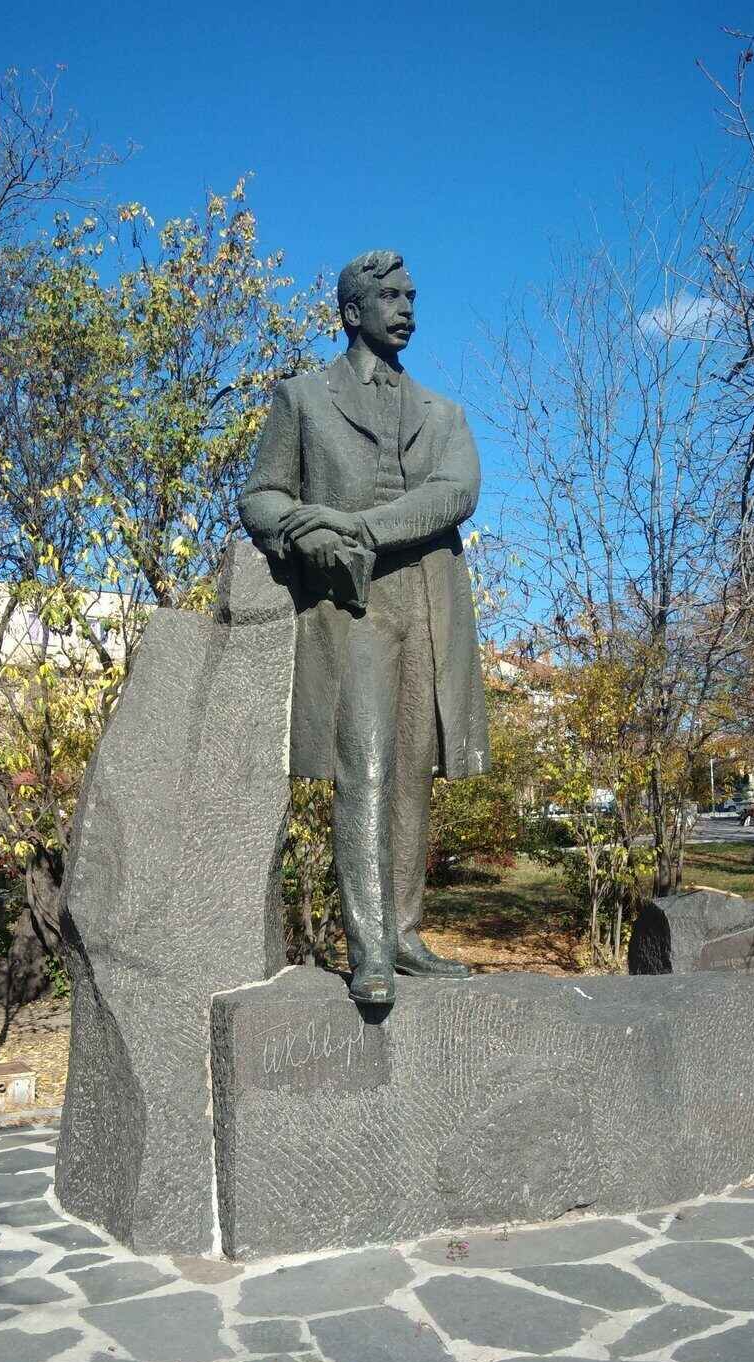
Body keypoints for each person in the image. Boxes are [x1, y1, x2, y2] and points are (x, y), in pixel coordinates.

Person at [239, 250, 490, 1004]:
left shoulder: (443, 414)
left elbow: (456, 494)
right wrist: (304, 533)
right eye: (390, 297)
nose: (407, 308)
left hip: (428, 606)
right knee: (366, 768)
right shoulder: (302, 400)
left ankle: (405, 934)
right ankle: (370, 945)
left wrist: (357, 526)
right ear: (353, 311)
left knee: (413, 772)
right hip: (352, 608)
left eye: (412, 296)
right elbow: (262, 497)